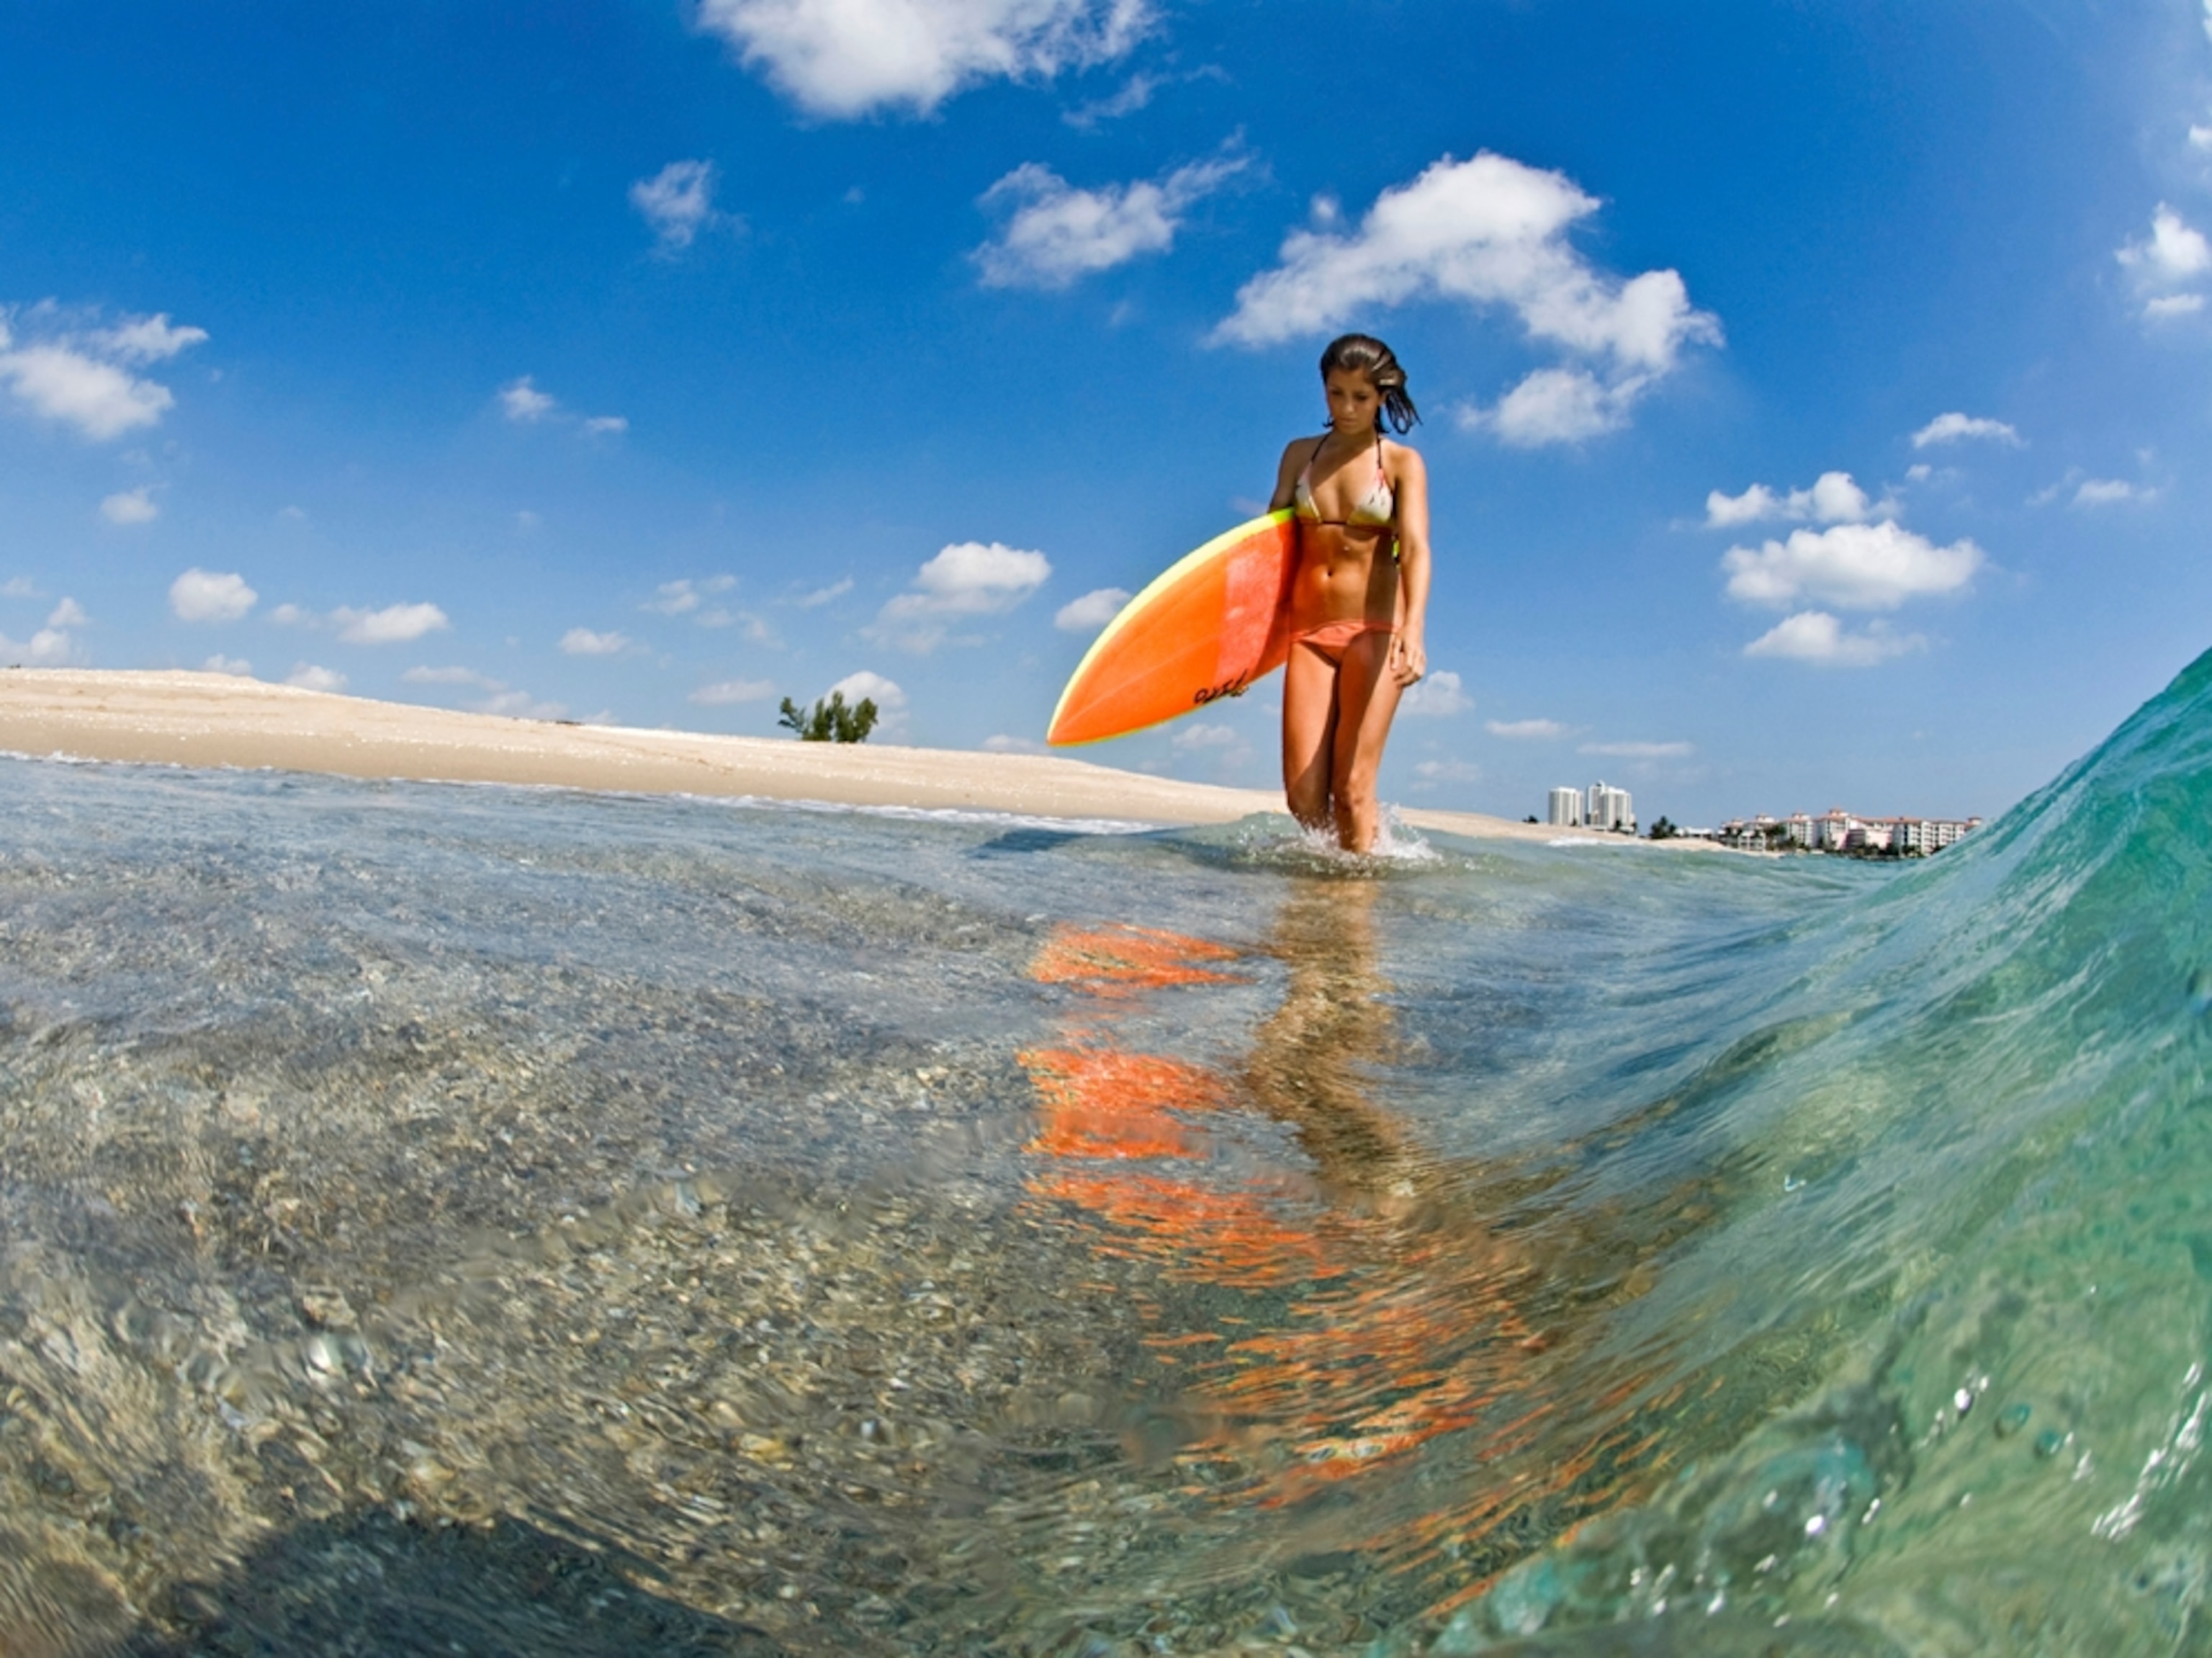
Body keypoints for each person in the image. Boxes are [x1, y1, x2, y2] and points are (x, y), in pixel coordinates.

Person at [1267, 333, 1431, 853]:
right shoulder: (1299, 455)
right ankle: (1324, 897)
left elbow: (1418, 549)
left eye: (1361, 397)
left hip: (1375, 632)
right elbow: (1269, 549)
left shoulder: (1401, 463)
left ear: (1382, 396)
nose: (1347, 407)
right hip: (1308, 633)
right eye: (1336, 394)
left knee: (1353, 790)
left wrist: (1414, 630)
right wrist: (1243, 649)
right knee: (1304, 798)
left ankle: (1354, 915)